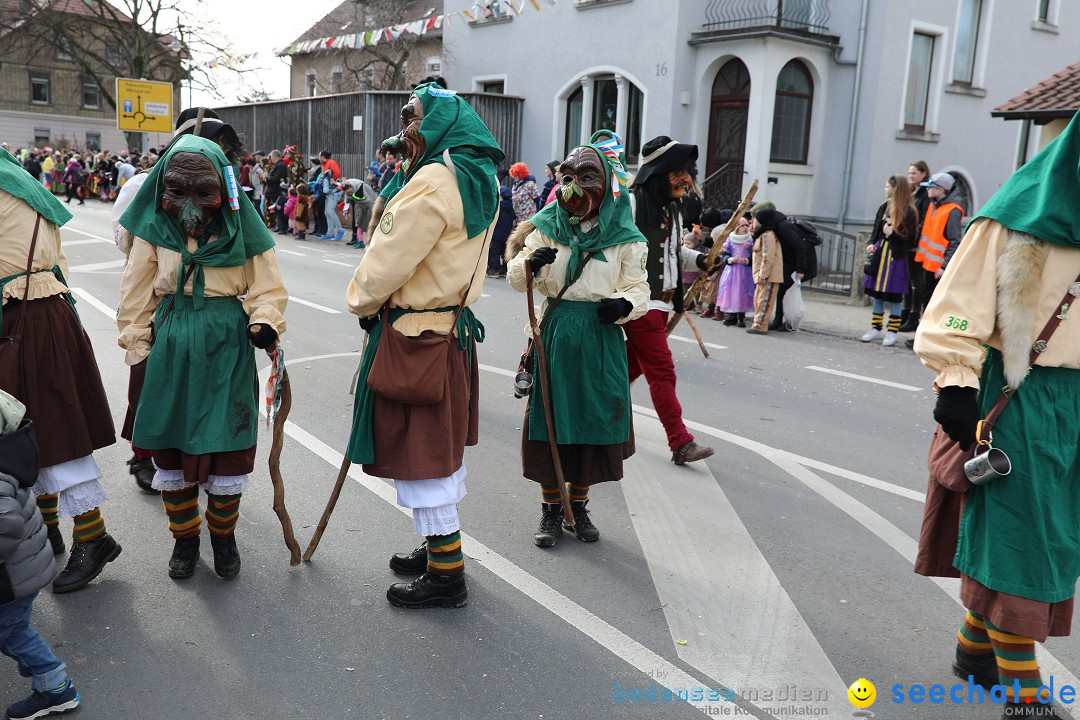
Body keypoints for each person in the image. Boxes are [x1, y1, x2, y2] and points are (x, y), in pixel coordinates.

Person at [913, 113, 1080, 718]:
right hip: (1015, 390)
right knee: (1020, 538)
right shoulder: (1013, 215)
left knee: (1056, 532)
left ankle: (973, 651)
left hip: (1075, 398)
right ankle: (1023, 693)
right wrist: (955, 383)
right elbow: (956, 303)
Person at [345, 82, 503, 609]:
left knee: (425, 455)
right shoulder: (477, 176)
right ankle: (438, 551)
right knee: (439, 449)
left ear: (438, 126)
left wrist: (363, 304)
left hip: (417, 335)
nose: (405, 129)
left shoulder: (433, 180)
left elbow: (388, 261)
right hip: (450, 330)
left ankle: (447, 574)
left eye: (413, 118)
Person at [117, 135, 288, 580]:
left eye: (203, 191)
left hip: (226, 345)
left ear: (222, 190)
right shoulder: (153, 230)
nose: (189, 204)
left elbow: (268, 287)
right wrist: (138, 345)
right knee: (171, 450)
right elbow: (136, 292)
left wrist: (265, 320)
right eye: (177, 190)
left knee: (227, 446)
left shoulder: (244, 231)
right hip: (171, 344)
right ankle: (185, 539)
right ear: (163, 189)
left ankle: (224, 537)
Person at [506, 142, 648, 547]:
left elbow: (640, 288)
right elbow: (518, 279)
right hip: (555, 333)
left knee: (590, 424)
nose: (574, 187)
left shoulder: (625, 237)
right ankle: (551, 510)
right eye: (567, 178)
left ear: (605, 185)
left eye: (587, 178)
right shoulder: (548, 225)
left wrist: (625, 304)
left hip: (600, 337)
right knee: (550, 422)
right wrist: (530, 264)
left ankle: (578, 506)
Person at [0, 148, 120, 593]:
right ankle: (46, 532)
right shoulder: (24, 184)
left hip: (22, 320)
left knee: (47, 432)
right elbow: (57, 264)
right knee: (36, 431)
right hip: (46, 316)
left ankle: (93, 536)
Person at [628, 136, 714, 465]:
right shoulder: (632, 205)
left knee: (624, 370)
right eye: (677, 172)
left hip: (662, 305)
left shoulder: (671, 210)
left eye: (687, 172)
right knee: (662, 371)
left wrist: (702, 261)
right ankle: (680, 441)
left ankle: (593, 419)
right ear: (658, 173)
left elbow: (674, 253)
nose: (686, 179)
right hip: (639, 303)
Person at [0, 391, 82, 720]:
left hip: (11, 578)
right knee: (13, 630)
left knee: (13, 633)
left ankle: (54, 688)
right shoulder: (8, 457)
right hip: (20, 572)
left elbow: (5, 527)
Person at [859, 174, 919, 347]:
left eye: (888, 186)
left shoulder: (909, 211)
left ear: (896, 189)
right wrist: (871, 244)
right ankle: (875, 328)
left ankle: (892, 331)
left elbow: (911, 239)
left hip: (896, 258)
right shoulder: (884, 207)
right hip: (880, 255)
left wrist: (893, 235)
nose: (885, 189)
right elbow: (875, 231)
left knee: (894, 296)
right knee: (877, 294)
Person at [899, 160, 932, 332]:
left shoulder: (925, 193)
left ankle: (913, 316)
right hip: (909, 240)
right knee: (909, 279)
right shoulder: (914, 191)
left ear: (923, 174)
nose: (911, 176)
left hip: (917, 243)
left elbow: (923, 219)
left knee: (916, 281)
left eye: (914, 173)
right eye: (910, 173)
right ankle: (905, 314)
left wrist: (915, 239)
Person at [746, 210, 784, 335]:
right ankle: (758, 323)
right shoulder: (761, 234)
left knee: (764, 301)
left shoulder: (768, 235)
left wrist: (763, 275)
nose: (752, 221)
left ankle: (760, 326)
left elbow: (768, 257)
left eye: (755, 219)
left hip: (769, 276)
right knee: (759, 300)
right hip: (761, 275)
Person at [715, 213, 754, 327]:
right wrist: (730, 259)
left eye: (747, 225)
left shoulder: (750, 240)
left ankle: (741, 317)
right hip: (732, 271)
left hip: (744, 271)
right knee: (731, 292)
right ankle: (731, 316)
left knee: (743, 292)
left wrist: (747, 260)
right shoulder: (731, 239)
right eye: (742, 226)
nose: (745, 228)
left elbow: (754, 256)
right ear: (737, 227)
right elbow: (725, 254)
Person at [487, 186, 514, 277]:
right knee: (504, 251)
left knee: (494, 251)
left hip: (497, 233)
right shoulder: (511, 207)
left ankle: (494, 270)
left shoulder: (498, 207)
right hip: (507, 233)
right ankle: (505, 269)